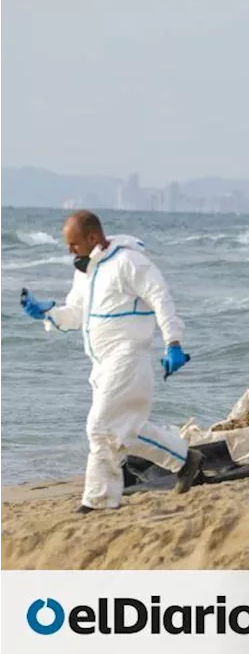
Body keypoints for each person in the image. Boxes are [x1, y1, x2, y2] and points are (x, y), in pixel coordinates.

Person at [19, 210, 203, 512]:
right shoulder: (86, 271)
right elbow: (77, 314)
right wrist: (48, 313)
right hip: (101, 363)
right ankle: (185, 460)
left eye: (73, 244)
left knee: (100, 426)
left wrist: (173, 342)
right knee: (126, 429)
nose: (69, 251)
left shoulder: (129, 262)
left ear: (92, 238)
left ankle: (99, 502)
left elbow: (161, 298)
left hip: (128, 357)